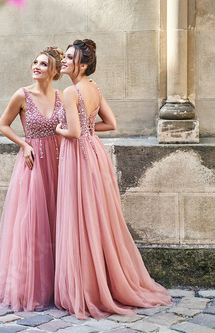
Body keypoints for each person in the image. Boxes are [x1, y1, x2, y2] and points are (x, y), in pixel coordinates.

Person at [54, 39, 172, 319]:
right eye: (66, 57)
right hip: (94, 152)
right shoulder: (94, 88)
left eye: (70, 58)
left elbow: (71, 132)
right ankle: (102, 281)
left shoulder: (71, 91)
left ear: (82, 64)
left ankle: (86, 289)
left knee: (80, 219)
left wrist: (59, 128)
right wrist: (87, 128)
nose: (65, 61)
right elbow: (112, 123)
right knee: (98, 218)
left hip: (77, 155)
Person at [0, 47, 64, 311]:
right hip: (34, 165)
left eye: (43, 64)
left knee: (57, 220)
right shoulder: (22, 94)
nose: (36, 66)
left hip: (59, 162)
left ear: (54, 71)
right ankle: (31, 286)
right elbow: (3, 124)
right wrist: (24, 145)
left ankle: (58, 284)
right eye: (35, 62)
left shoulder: (61, 96)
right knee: (32, 223)